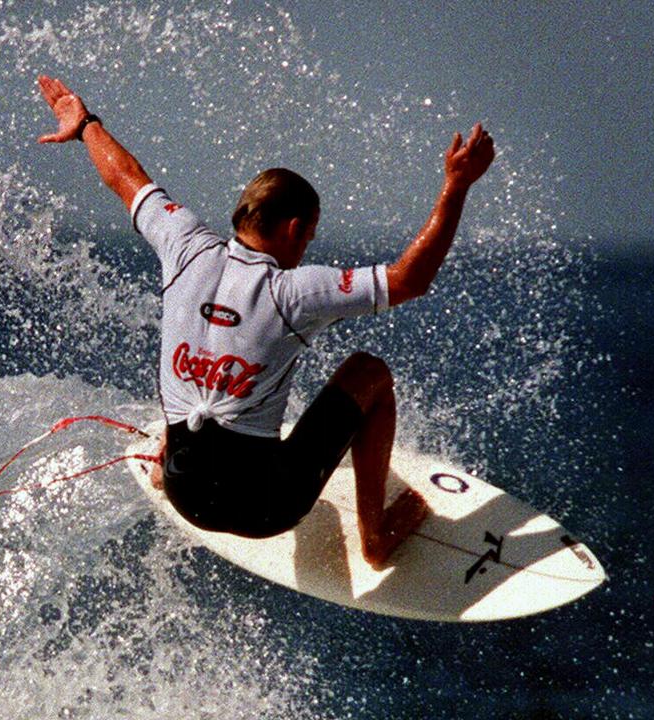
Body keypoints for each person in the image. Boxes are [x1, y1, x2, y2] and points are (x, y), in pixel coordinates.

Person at [36, 75, 494, 568]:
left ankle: (166, 457)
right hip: (267, 509)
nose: (307, 249)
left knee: (198, 368)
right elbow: (408, 280)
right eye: (310, 236)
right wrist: (455, 188)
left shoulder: (183, 245)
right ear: (294, 228)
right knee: (369, 372)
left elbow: (125, 177)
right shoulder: (293, 292)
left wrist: (83, 124)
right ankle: (376, 538)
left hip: (185, 492)